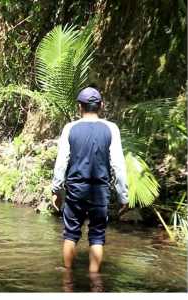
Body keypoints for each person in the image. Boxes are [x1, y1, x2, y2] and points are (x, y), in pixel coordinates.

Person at [51, 87, 129, 274]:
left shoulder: (70, 128)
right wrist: (123, 196)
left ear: (80, 107)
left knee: (70, 235)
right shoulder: (111, 129)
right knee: (97, 236)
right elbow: (118, 165)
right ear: (101, 105)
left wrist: (56, 190)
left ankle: (67, 279)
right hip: (100, 190)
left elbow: (62, 162)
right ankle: (95, 281)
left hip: (75, 189)